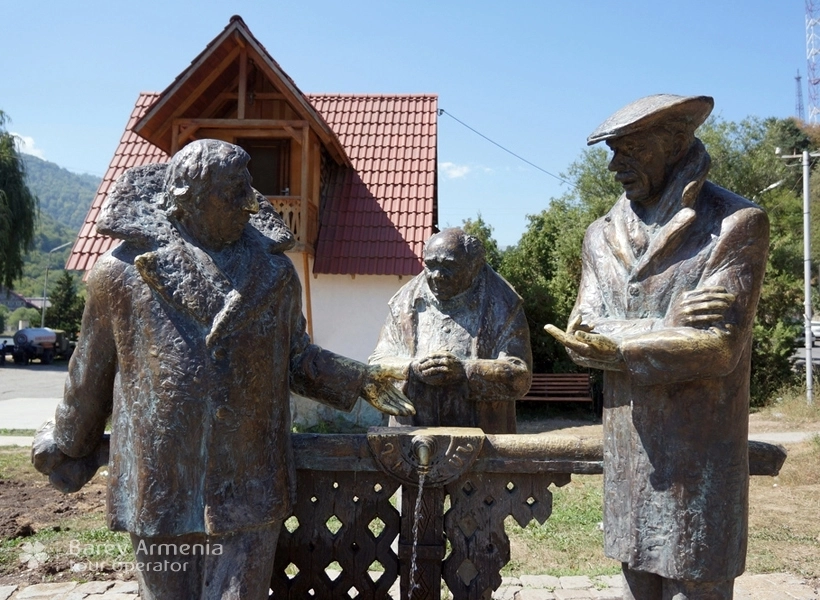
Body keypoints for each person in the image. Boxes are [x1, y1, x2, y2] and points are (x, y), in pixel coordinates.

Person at [32, 139, 414, 600]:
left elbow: (296, 358)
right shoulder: (119, 274)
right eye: (234, 191)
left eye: (249, 188)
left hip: (249, 482)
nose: (250, 203)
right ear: (187, 198)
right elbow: (88, 375)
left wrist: (362, 379)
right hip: (160, 486)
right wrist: (69, 444)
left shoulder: (274, 274)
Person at [545, 95, 769, 600]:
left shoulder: (734, 223)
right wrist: (664, 324)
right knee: (634, 586)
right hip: (629, 452)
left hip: (699, 457)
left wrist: (619, 341)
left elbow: (718, 346)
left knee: (696, 585)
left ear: (676, 143)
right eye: (613, 151)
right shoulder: (600, 235)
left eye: (631, 150)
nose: (615, 165)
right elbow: (581, 331)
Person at [370, 227, 531, 434]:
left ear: (474, 266)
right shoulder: (403, 304)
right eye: (430, 265)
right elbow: (376, 365)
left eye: (449, 266)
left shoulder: (504, 305)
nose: (437, 275)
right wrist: (413, 369)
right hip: (411, 436)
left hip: (484, 438)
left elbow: (520, 376)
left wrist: (465, 371)